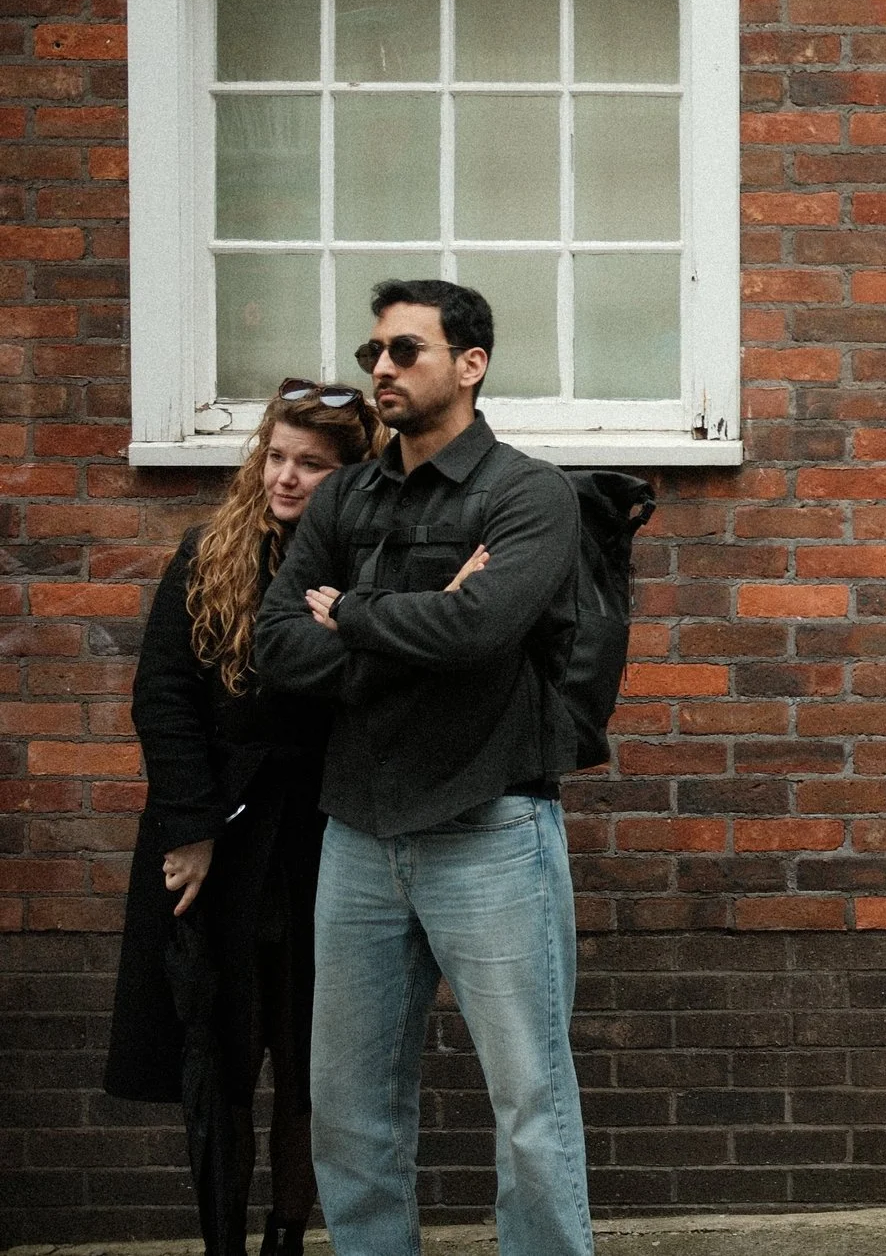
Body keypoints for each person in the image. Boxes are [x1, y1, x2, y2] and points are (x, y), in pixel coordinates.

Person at [254, 279, 591, 1256]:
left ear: (471, 362)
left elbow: (484, 628)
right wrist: (421, 623)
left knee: (530, 1102)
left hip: (490, 828)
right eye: (374, 354)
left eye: (405, 350)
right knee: (350, 1108)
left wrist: (352, 615)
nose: (382, 369)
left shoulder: (527, 492)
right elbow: (279, 646)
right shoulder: (350, 492)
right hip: (357, 833)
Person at [105, 380, 386, 1256]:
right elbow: (163, 696)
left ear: (350, 478)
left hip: (323, 839)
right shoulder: (210, 553)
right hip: (218, 841)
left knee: (314, 1061)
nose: (286, 477)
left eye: (312, 464)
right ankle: (221, 1240)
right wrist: (190, 828)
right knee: (219, 1048)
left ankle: (286, 1234)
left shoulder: (368, 567)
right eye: (277, 456)